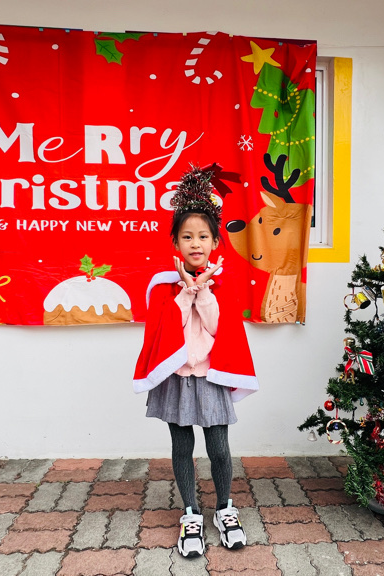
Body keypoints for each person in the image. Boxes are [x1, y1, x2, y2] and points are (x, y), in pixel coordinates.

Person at [133, 163, 258, 558]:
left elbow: (221, 328)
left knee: (218, 447)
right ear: (175, 242)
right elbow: (168, 329)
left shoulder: (222, 285)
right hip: (177, 378)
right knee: (181, 445)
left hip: (211, 376)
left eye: (203, 236)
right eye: (187, 236)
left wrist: (202, 291)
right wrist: (186, 291)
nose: (195, 243)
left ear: (215, 241)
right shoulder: (162, 286)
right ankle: (190, 512)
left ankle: (224, 508)